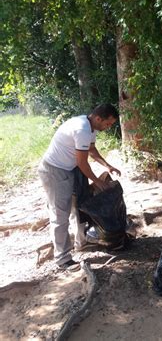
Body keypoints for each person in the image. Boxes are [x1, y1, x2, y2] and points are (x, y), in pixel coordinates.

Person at [38, 104, 121, 271]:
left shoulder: (90, 127)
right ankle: (62, 259)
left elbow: (91, 150)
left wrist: (108, 166)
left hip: (69, 169)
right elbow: (82, 163)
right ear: (99, 118)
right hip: (55, 171)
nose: (109, 127)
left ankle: (80, 242)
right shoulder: (82, 129)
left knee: (76, 206)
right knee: (60, 213)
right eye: (108, 123)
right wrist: (98, 182)